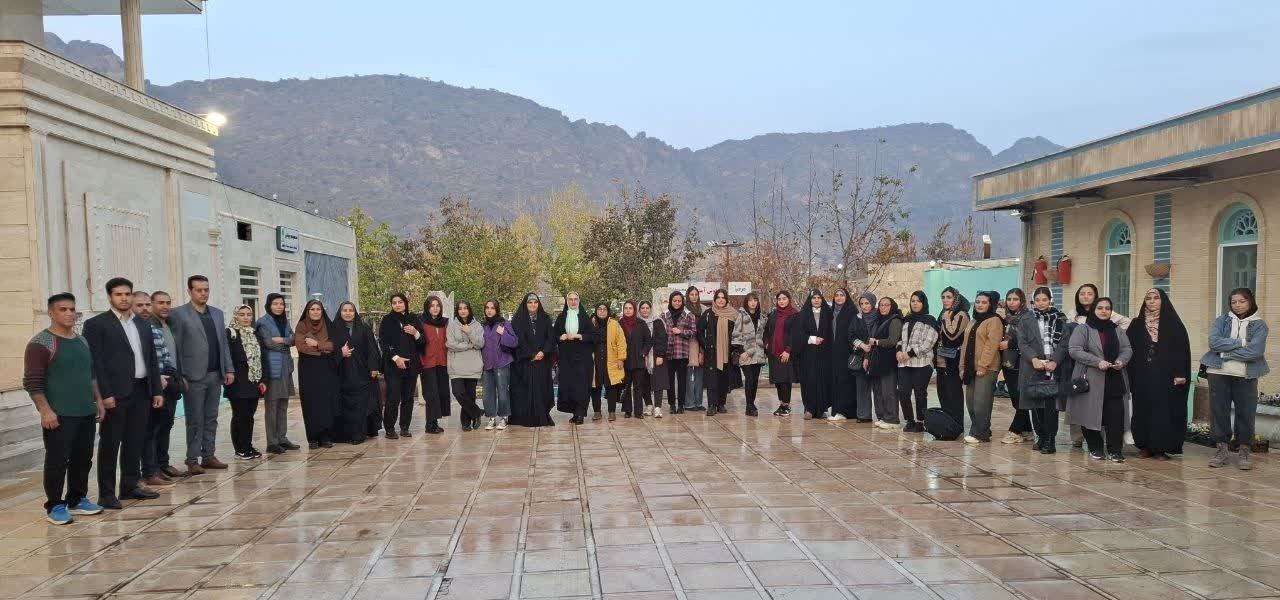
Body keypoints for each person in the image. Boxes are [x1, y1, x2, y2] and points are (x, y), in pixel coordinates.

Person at [83, 277, 164, 509]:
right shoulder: (96, 324)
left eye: (127, 294)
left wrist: (156, 390)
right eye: (119, 294)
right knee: (110, 444)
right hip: (115, 394)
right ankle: (107, 494)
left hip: (141, 390)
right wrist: (104, 394)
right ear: (110, 297)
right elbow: (95, 363)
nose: (124, 298)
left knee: (135, 441)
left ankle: (130, 486)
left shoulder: (142, 324)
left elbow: (151, 359)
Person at [25, 293, 105, 524]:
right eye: (63, 309)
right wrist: (45, 411)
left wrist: (98, 401)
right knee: (57, 461)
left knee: (83, 458)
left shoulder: (82, 341)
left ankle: (77, 499)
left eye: (72, 309)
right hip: (59, 413)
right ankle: (55, 505)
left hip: (85, 411)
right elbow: (32, 382)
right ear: (51, 313)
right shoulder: (41, 343)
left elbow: (90, 375)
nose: (69, 313)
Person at [169, 275, 234, 475]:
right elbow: (175, 346)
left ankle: (208, 456)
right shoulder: (178, 314)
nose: (203, 293)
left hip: (215, 374)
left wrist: (228, 368)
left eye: (206, 289)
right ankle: (192, 459)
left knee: (211, 417)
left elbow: (223, 344)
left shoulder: (217, 314)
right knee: (195, 419)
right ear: (189, 291)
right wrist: (179, 374)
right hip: (193, 376)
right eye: (198, 290)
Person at [1203, 287, 1269, 470]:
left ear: (1250, 302)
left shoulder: (1259, 325)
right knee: (1219, 412)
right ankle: (1221, 451)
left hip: (1245, 375)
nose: (1237, 305)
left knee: (1246, 413)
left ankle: (1244, 452)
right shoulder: (1221, 320)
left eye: (1242, 301)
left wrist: (1225, 354)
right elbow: (1213, 343)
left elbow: (1255, 351)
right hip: (1218, 373)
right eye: (1234, 302)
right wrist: (1241, 343)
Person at [1127, 289, 1190, 460]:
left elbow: (1181, 351)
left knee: (1163, 411)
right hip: (1142, 375)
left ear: (1163, 301)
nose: (1152, 301)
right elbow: (1128, 349)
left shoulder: (1174, 324)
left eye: (1156, 298)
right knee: (1142, 409)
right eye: (1148, 298)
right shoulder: (1136, 324)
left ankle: (1161, 447)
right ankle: (1144, 446)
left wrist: (1180, 373)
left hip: (1166, 376)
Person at [1067, 298, 1132, 462]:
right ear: (1093, 310)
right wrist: (1097, 362)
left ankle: (1115, 451)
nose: (1104, 311)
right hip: (1090, 379)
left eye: (1107, 308)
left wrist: (1121, 361)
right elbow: (1074, 350)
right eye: (1100, 308)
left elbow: (1127, 349)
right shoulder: (1083, 329)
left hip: (1114, 379)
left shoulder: (1117, 329)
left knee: (1116, 416)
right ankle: (1095, 448)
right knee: (1089, 414)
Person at [1016, 287, 1067, 454]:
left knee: (1050, 406)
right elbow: (1022, 343)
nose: (1041, 303)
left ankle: (1050, 439)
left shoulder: (1060, 318)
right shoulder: (1026, 319)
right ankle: (1041, 436)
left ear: (1050, 300)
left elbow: (1064, 343)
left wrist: (1055, 361)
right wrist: (1033, 358)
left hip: (1052, 369)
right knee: (1035, 405)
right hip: (1033, 367)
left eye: (1044, 299)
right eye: (1038, 300)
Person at [141, 291, 183, 487]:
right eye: (160, 303)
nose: (165, 306)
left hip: (170, 381)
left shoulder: (169, 325)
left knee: (166, 425)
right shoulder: (148, 326)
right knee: (154, 428)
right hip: (155, 384)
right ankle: (152, 469)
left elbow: (169, 355)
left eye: (168, 302)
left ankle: (163, 464)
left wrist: (177, 377)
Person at [331, 301, 381, 444]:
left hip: (362, 373)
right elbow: (329, 350)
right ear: (340, 312)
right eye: (344, 310)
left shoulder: (364, 328)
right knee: (344, 405)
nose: (348, 313)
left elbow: (372, 349)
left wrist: (373, 367)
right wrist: (340, 353)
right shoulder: (333, 329)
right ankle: (346, 434)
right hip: (342, 373)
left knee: (361, 404)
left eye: (351, 310)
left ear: (355, 312)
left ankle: (359, 434)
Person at [255, 293, 299, 454]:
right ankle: (272, 442)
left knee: (283, 404)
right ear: (269, 305)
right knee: (272, 405)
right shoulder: (262, 322)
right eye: (275, 304)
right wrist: (286, 341)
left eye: (281, 304)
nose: (279, 307)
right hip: (272, 367)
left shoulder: (285, 321)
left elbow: (294, 339)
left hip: (285, 367)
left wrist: (281, 340)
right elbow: (268, 343)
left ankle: (282, 438)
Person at [378, 293, 424, 439]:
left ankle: (405, 427)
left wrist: (415, 332)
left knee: (408, 398)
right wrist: (396, 358)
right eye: (394, 302)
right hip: (393, 366)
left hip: (411, 365)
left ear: (405, 303)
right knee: (393, 398)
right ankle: (390, 428)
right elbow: (383, 342)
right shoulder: (387, 320)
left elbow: (423, 342)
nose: (397, 305)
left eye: (400, 302)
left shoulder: (413, 319)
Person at [961, 291, 1004, 444]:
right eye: (978, 302)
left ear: (990, 304)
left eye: (984, 302)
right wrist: (962, 367)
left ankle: (980, 433)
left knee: (981, 402)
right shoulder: (973, 321)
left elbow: (991, 345)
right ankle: (980, 430)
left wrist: (983, 365)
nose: (980, 305)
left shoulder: (994, 321)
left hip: (986, 368)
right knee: (970, 402)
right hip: (970, 367)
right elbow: (965, 345)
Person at [224, 305, 266, 459]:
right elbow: (226, 357)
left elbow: (262, 358)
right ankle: (240, 448)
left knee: (249, 415)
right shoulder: (230, 333)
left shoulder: (255, 333)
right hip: (237, 381)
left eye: (249, 314)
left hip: (253, 380)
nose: (246, 317)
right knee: (240, 415)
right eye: (242, 314)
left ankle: (248, 445)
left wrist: (263, 380)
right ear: (236, 316)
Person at [295, 299, 337, 448]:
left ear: (322, 311)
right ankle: (312, 438)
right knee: (310, 401)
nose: (315, 312)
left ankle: (325, 436)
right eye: (312, 309)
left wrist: (317, 344)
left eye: (318, 309)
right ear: (307, 311)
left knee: (325, 401)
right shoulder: (302, 325)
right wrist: (323, 350)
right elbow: (301, 346)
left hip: (325, 368)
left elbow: (334, 345)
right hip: (308, 368)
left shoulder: (328, 325)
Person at [510, 293, 556, 427]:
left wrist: (543, 352)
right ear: (525, 304)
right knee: (524, 390)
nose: (533, 305)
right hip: (524, 362)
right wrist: (531, 354)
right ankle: (525, 418)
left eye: (535, 302)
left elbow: (550, 338)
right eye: (530, 302)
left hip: (542, 360)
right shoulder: (518, 320)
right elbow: (517, 341)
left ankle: (542, 416)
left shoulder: (545, 318)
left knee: (541, 390)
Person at [896, 291, 938, 432]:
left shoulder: (930, 320)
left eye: (918, 301)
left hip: (922, 363)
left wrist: (910, 354)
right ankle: (909, 420)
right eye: (913, 301)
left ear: (923, 303)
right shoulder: (906, 319)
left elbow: (929, 343)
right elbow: (901, 339)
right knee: (903, 392)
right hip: (904, 363)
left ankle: (921, 421)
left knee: (920, 393)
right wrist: (898, 351)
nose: (915, 303)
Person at [999, 289, 1034, 444]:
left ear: (1022, 301)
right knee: (1015, 398)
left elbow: (1029, 338)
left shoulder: (1028, 317)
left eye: (1015, 299)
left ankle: (1015, 430)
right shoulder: (1005, 317)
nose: (1012, 302)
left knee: (1021, 398)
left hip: (1022, 362)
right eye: (1009, 299)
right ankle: (1027, 430)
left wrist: (1010, 343)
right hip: (1008, 362)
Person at [555, 292, 596, 421]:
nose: (573, 302)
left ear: (579, 301)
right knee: (569, 385)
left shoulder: (585, 317)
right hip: (566, 357)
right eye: (570, 299)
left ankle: (581, 413)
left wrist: (579, 336)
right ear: (567, 301)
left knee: (581, 385)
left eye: (575, 299)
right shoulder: (561, 317)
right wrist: (560, 337)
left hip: (582, 356)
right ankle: (574, 413)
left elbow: (593, 336)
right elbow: (554, 335)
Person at [793, 290, 833, 419]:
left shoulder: (828, 314)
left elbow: (832, 332)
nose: (816, 300)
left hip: (824, 353)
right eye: (813, 298)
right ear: (810, 300)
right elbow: (797, 334)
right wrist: (812, 339)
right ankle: (809, 409)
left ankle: (821, 409)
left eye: (819, 297)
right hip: (807, 354)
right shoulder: (803, 314)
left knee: (823, 380)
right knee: (808, 380)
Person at [446, 301, 485, 431]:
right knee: (458, 392)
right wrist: (469, 345)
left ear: (469, 310)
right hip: (456, 366)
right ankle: (477, 412)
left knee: (470, 395)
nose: (463, 311)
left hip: (473, 365)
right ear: (457, 311)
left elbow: (480, 344)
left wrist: (469, 332)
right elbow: (450, 344)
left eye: (465, 308)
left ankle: (466, 423)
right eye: (460, 308)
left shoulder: (477, 325)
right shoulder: (451, 325)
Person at [866, 297, 904, 429]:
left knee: (889, 391)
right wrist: (867, 357)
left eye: (886, 305)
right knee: (878, 391)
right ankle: (882, 417)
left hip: (889, 361)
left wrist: (877, 342)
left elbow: (893, 340)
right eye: (881, 305)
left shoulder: (895, 320)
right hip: (877, 360)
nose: (883, 308)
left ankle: (892, 419)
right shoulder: (879, 320)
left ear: (892, 306)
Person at [700, 289, 738, 417]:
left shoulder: (733, 314)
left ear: (726, 300)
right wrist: (706, 346)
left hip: (728, 352)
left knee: (724, 378)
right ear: (715, 299)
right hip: (712, 352)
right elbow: (699, 331)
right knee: (712, 379)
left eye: (723, 298)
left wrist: (735, 348)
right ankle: (712, 405)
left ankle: (721, 404)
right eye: (718, 297)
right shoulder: (708, 313)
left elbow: (738, 332)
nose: (721, 300)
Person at [480, 300, 518, 430]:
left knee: (502, 391)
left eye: (492, 308)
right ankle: (491, 417)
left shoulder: (504, 323)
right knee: (487, 393)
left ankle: (504, 417)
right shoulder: (483, 326)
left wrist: (504, 333)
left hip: (502, 362)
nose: (489, 310)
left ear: (497, 310)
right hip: (487, 364)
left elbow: (514, 342)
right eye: (487, 308)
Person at [935, 287, 970, 422]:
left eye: (949, 297)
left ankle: (956, 423)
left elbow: (952, 335)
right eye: (943, 297)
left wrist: (946, 317)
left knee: (953, 393)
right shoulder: (944, 313)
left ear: (956, 299)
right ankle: (947, 423)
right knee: (942, 393)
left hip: (954, 361)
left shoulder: (961, 314)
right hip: (941, 359)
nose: (945, 300)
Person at [763, 290, 799, 416]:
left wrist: (788, 350)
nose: (782, 301)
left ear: (789, 299)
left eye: (784, 298)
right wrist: (766, 344)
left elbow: (795, 334)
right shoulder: (773, 314)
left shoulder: (794, 314)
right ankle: (781, 404)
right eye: (779, 299)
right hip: (774, 353)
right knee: (777, 380)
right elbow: (766, 331)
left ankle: (786, 405)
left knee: (785, 380)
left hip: (786, 353)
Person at [661, 291, 697, 415]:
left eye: (679, 301)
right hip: (668, 353)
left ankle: (681, 405)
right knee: (669, 381)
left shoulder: (688, 315)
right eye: (674, 301)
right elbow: (660, 333)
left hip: (682, 353)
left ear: (682, 302)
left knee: (682, 381)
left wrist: (681, 332)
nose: (677, 303)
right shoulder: (664, 315)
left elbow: (693, 332)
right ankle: (672, 405)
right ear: (671, 301)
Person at [418, 296, 449, 435]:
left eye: (437, 305)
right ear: (427, 307)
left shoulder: (445, 322)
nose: (435, 308)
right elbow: (418, 342)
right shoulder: (421, 322)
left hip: (442, 362)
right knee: (431, 394)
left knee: (440, 393)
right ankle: (429, 425)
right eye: (432, 305)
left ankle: (434, 423)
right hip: (427, 363)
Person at [848, 292, 879, 423]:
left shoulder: (880, 316)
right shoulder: (857, 318)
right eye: (861, 304)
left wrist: (871, 346)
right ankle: (863, 415)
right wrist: (862, 345)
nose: (864, 306)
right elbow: (850, 335)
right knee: (862, 387)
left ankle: (882, 416)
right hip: (861, 356)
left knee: (878, 388)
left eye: (867, 303)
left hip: (877, 355)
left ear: (873, 303)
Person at [592, 303, 628, 420]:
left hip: (611, 359)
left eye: (604, 309)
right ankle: (597, 412)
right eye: (599, 309)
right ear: (596, 311)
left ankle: (612, 412)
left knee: (611, 385)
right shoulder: (591, 323)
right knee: (595, 386)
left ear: (608, 311)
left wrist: (621, 358)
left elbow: (621, 342)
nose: (602, 311)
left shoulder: (614, 324)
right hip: (595, 359)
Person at [733, 292, 766, 417]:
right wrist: (741, 351)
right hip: (746, 353)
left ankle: (751, 405)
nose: (753, 303)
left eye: (755, 300)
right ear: (747, 302)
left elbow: (764, 335)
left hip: (758, 353)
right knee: (749, 379)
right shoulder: (741, 315)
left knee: (755, 380)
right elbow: (736, 335)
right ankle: (749, 405)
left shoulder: (762, 317)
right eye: (750, 300)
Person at [619, 300, 652, 419]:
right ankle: (627, 411)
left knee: (638, 387)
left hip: (638, 360)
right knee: (626, 386)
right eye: (626, 308)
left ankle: (638, 412)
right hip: (624, 360)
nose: (628, 310)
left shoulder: (641, 323)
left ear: (634, 310)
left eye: (630, 308)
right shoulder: (619, 324)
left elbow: (648, 340)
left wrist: (644, 352)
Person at [827, 288, 856, 421]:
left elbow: (853, 332)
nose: (839, 298)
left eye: (841, 295)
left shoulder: (852, 311)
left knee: (845, 381)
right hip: (833, 353)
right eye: (836, 295)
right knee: (835, 381)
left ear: (846, 297)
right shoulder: (831, 312)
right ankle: (837, 410)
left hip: (846, 352)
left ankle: (845, 411)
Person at [640, 301, 669, 418]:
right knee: (644, 382)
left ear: (651, 309)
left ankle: (657, 407)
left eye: (647, 308)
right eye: (642, 308)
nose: (645, 310)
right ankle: (649, 405)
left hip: (656, 356)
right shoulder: (638, 322)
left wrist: (660, 355)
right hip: (642, 357)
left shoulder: (658, 321)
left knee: (658, 382)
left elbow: (663, 339)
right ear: (639, 310)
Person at [685, 286, 707, 412]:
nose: (694, 297)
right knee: (689, 375)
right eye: (691, 294)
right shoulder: (684, 310)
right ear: (688, 296)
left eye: (696, 294)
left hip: (701, 343)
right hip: (688, 343)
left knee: (700, 374)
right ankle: (689, 403)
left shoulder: (703, 309)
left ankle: (698, 402)